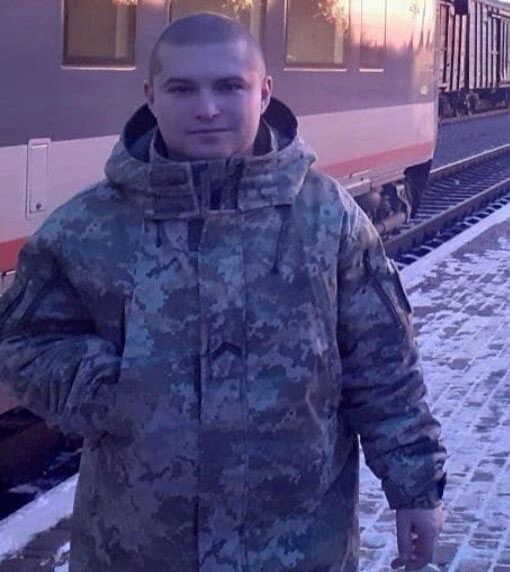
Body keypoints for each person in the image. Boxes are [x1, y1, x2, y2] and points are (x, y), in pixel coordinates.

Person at [0, 13, 446, 572]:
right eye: (182, 89)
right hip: (137, 549)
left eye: (229, 86)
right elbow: (22, 341)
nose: (207, 108)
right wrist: (111, 390)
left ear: (264, 93)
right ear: (151, 96)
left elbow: (382, 362)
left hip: (298, 549)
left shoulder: (326, 218)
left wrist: (416, 488)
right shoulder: (90, 226)